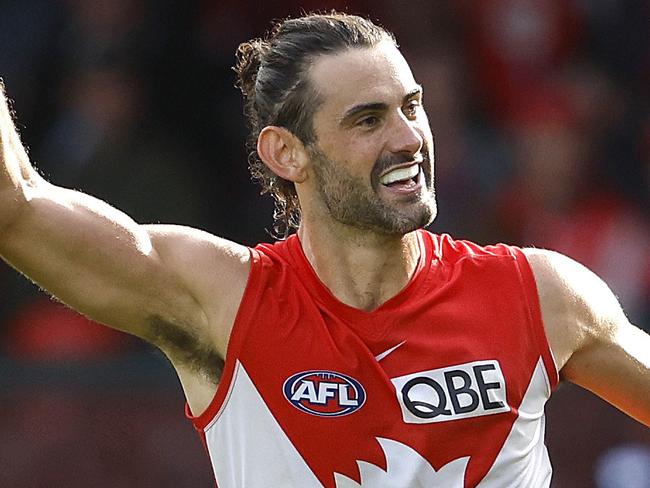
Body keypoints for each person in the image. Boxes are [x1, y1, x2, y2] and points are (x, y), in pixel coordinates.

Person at [0, 12, 648, 488]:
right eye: (368, 119)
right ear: (287, 153)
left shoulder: (543, 294)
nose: (408, 139)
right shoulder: (223, 300)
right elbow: (17, 208)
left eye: (412, 107)